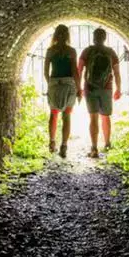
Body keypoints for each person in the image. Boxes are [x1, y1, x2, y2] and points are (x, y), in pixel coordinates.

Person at [77, 28, 122, 159]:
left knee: (93, 117)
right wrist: (118, 88)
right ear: (104, 38)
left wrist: (78, 88)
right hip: (107, 88)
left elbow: (79, 70)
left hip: (90, 87)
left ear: (94, 37)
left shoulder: (87, 51)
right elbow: (117, 73)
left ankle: (94, 148)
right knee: (105, 116)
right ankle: (107, 144)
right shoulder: (110, 52)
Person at [44, 24, 79, 158]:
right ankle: (64, 145)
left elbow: (46, 71)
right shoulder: (71, 51)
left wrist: (50, 84)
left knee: (53, 114)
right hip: (69, 84)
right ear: (67, 36)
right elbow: (75, 71)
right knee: (67, 116)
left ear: (55, 35)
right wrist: (79, 88)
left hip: (54, 83)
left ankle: (52, 142)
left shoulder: (50, 51)